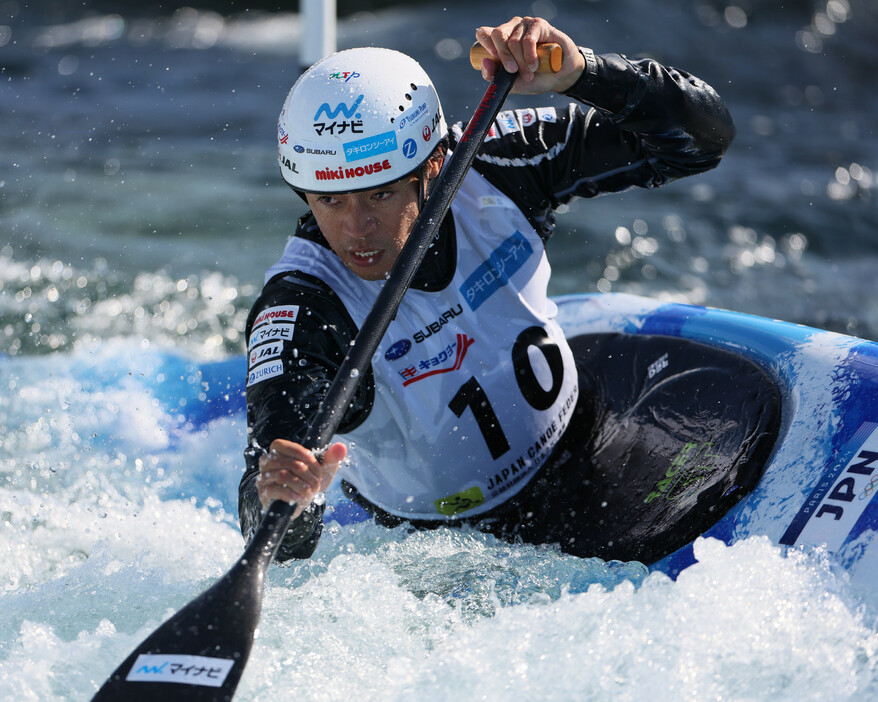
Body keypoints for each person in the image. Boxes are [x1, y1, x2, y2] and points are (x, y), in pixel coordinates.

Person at [238, 16, 736, 560]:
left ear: (432, 165)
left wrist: (582, 74)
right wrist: (287, 496)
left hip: (586, 439)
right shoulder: (303, 308)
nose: (356, 228)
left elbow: (700, 141)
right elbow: (274, 532)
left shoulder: (497, 163)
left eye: (379, 195)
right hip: (439, 548)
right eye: (329, 200)